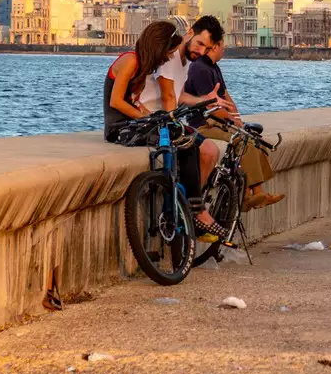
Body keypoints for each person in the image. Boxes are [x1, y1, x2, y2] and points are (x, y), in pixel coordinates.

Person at [102, 20, 224, 237]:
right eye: (168, 53)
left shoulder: (142, 66)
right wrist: (146, 118)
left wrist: (151, 117)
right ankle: (196, 210)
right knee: (184, 142)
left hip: (136, 124)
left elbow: (138, 102)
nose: (169, 58)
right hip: (121, 128)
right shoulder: (130, 61)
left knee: (186, 142)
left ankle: (188, 207)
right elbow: (116, 102)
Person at [182, 15, 282, 210]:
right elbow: (212, 108)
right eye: (222, 47)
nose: (224, 50)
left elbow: (227, 98)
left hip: (218, 122)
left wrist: (238, 120)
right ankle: (248, 196)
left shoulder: (214, 68)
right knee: (241, 140)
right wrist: (234, 123)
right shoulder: (200, 69)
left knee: (250, 138)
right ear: (216, 46)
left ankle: (255, 193)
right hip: (203, 125)